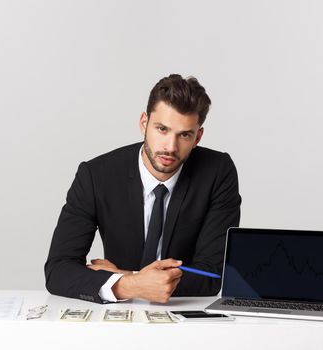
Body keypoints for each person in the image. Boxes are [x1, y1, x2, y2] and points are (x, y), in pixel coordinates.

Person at [45, 74, 241, 304]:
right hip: (118, 317)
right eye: (162, 129)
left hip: (182, 318)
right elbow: (58, 269)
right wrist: (134, 285)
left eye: (184, 135)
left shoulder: (217, 172)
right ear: (143, 124)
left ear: (198, 137)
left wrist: (128, 279)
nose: (170, 146)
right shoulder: (96, 176)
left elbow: (212, 275)